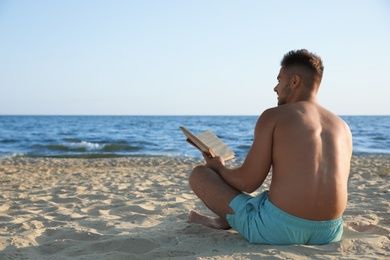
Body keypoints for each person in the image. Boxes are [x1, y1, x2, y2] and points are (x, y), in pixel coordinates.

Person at [187, 49, 353, 245]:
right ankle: (225, 221)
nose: (276, 88)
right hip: (329, 232)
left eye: (279, 80)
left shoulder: (274, 116)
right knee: (265, 199)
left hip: (278, 229)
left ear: (294, 81)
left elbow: (247, 182)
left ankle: (227, 220)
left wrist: (219, 167)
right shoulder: (342, 126)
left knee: (199, 175)